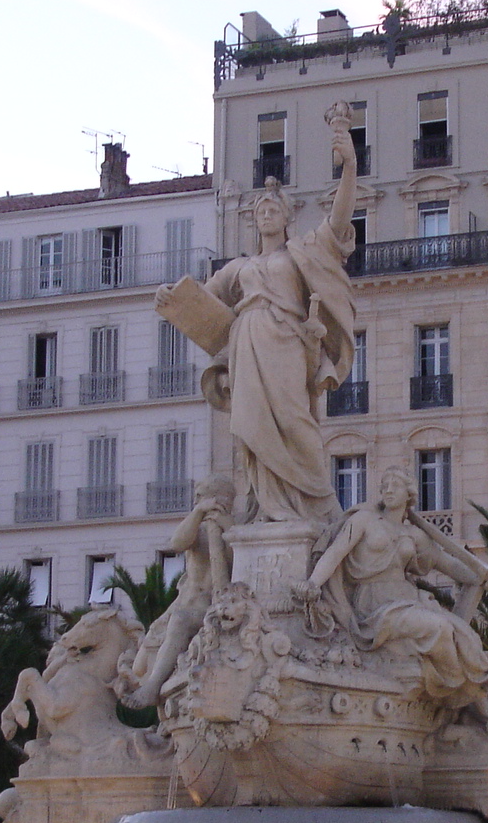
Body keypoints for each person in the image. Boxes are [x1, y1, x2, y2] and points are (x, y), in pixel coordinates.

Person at [159, 104, 359, 524]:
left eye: (273, 209)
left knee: (294, 419)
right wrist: (170, 297)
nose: (265, 213)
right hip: (246, 342)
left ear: (287, 217)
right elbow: (200, 300)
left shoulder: (302, 252)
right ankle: (265, 509)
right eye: (259, 212)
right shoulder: (239, 267)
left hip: (285, 339)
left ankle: (315, 502)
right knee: (251, 429)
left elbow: (339, 218)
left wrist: (350, 166)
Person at [301, 466, 488, 709]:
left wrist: (486, 579)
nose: (387, 490)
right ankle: (458, 689)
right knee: (438, 627)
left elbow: (448, 564)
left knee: (463, 635)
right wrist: (312, 584)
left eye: (395, 485)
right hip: (374, 603)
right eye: (384, 485)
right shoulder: (364, 520)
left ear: (409, 493)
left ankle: (459, 686)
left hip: (407, 598)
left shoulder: (414, 534)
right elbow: (335, 553)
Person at [118, 476, 234, 708]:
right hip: (184, 602)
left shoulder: (232, 528)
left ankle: (152, 688)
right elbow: (177, 543)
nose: (196, 499)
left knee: (180, 622)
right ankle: (140, 683)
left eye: (201, 496)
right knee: (141, 662)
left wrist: (225, 526)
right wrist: (199, 513)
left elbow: (236, 561)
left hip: (207, 606)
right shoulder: (195, 528)